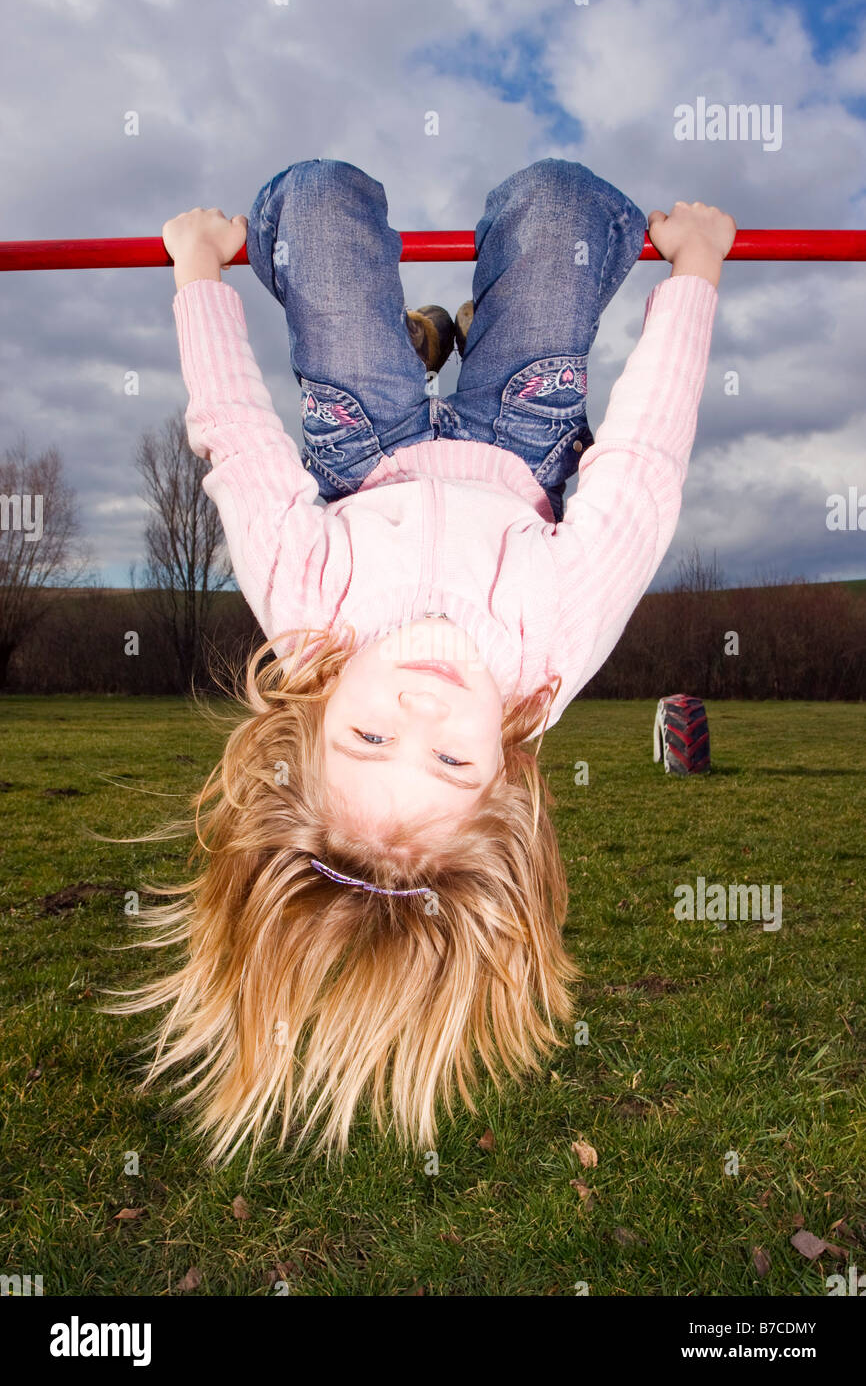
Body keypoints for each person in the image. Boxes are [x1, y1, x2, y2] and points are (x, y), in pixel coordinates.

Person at [108, 159, 735, 1165]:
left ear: (307, 723)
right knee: (558, 205)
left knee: (316, 201)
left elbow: (240, 445)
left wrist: (201, 278)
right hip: (519, 441)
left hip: (366, 449)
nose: (423, 714)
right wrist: (692, 273)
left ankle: (411, 346)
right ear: (506, 781)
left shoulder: (310, 622)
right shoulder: (548, 649)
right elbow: (640, 470)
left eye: (369, 737)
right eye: (450, 764)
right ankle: (482, 331)